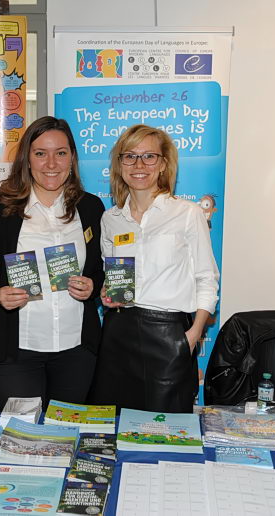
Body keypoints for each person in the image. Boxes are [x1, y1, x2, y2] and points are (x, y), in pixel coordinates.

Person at [0, 116, 105, 410]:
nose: (51, 163)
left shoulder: (91, 208)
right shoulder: (4, 210)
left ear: (72, 158)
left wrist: (92, 286)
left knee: (66, 431)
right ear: (27, 159)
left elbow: (99, 271)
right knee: (19, 431)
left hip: (76, 350)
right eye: (41, 153)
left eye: (61, 153)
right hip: (16, 352)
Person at [89, 124, 219, 413]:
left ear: (163, 164)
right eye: (130, 156)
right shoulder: (111, 219)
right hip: (117, 333)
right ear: (119, 165)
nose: (139, 165)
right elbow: (112, 277)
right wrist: (107, 293)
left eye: (149, 156)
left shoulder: (188, 213)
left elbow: (207, 279)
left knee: (165, 427)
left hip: (168, 336)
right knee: (113, 424)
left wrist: (193, 334)